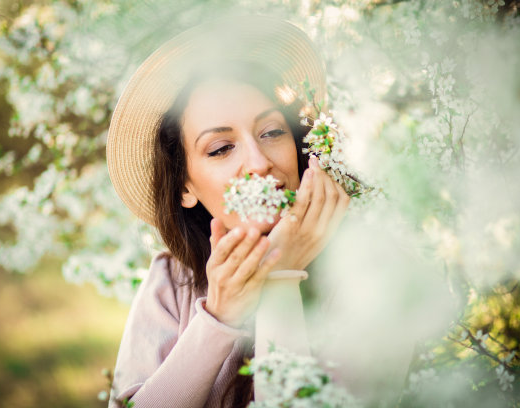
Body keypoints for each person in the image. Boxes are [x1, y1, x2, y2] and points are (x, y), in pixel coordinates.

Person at [106, 15, 350, 408]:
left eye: (271, 132)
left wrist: (281, 277)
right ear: (185, 186)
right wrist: (219, 317)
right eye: (220, 148)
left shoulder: (364, 274)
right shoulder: (172, 281)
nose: (258, 162)